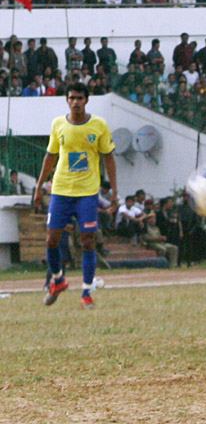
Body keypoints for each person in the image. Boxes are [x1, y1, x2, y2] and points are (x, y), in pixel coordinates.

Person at [33, 82, 118, 309]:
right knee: (51, 239)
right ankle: (59, 280)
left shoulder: (99, 125)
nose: (76, 102)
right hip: (61, 190)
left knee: (87, 241)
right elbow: (50, 156)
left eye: (80, 98)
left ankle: (86, 293)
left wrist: (115, 193)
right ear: (67, 100)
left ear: (86, 100)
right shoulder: (58, 124)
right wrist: (39, 186)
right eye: (72, 98)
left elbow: (109, 157)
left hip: (87, 192)